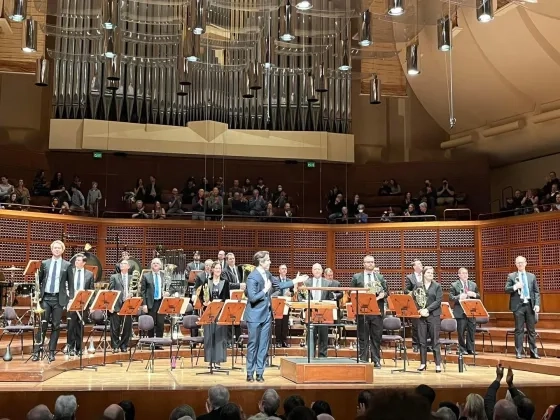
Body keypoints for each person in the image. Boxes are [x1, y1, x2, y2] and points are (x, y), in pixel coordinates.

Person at [245, 251, 306, 382]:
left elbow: (280, 285)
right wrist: (265, 290)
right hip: (255, 316)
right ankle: (250, 372)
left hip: (266, 315)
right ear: (261, 262)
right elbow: (252, 297)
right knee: (253, 344)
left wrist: (296, 280)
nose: (270, 262)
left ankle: (260, 372)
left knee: (263, 345)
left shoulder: (268, 274)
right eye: (268, 260)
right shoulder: (252, 277)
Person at [32, 240, 73, 362]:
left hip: (59, 299)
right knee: (42, 325)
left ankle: (51, 352)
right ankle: (36, 352)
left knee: (56, 325)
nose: (56, 250)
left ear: (62, 250)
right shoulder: (45, 263)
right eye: (55, 248)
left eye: (59, 248)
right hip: (46, 298)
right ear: (51, 249)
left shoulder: (67, 265)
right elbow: (38, 281)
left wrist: (71, 299)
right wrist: (36, 295)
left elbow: (71, 284)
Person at [350, 255, 388, 368]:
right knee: (363, 337)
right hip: (363, 311)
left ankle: (376, 360)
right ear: (364, 264)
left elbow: (386, 292)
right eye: (368, 262)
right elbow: (352, 292)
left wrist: (383, 295)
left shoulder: (379, 277)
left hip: (377, 311)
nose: (370, 264)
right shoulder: (357, 277)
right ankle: (363, 360)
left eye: (372, 262)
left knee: (376, 337)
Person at [300, 263, 341, 359]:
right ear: (312, 271)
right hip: (311, 312)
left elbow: (339, 294)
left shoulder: (328, 283)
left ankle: (323, 357)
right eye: (315, 269)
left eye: (319, 269)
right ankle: (311, 356)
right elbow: (300, 295)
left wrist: (333, 297)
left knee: (323, 336)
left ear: (322, 271)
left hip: (324, 312)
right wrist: (303, 301)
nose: (317, 271)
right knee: (311, 335)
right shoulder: (307, 283)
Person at [505, 256, 541, 359]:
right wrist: (516, 287)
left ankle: (533, 352)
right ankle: (519, 352)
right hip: (518, 306)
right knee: (519, 330)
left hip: (530, 305)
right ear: (516, 264)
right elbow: (506, 289)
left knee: (531, 330)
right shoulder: (511, 276)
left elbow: (536, 292)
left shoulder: (531, 276)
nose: (520, 264)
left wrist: (537, 304)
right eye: (518, 263)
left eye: (521, 262)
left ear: (526, 263)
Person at [198, 261, 230, 368]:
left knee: (220, 336)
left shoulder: (225, 282)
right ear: (212, 270)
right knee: (209, 335)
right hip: (209, 312)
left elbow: (227, 298)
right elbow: (201, 296)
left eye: (219, 268)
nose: (218, 270)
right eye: (216, 268)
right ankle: (210, 360)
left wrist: (221, 301)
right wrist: (204, 302)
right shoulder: (207, 281)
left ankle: (218, 360)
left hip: (220, 312)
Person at [414, 266, 442, 372]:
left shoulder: (437, 286)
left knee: (435, 340)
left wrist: (427, 310)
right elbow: (415, 298)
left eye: (432, 273)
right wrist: (420, 310)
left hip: (433, 315)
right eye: (429, 273)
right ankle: (422, 363)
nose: (431, 274)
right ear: (424, 274)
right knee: (422, 341)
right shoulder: (418, 285)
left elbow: (438, 301)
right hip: (421, 316)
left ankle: (437, 364)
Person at [66, 253, 94, 356]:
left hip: (83, 303)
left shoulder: (89, 274)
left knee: (80, 326)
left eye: (79, 260)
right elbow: (65, 286)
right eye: (76, 260)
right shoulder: (70, 272)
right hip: (71, 302)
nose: (76, 262)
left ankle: (78, 348)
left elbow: (91, 290)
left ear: (84, 263)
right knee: (71, 326)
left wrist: (91, 305)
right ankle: (70, 347)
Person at [449, 267, 480, 355]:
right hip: (460, 311)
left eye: (466, 273)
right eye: (462, 273)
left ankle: (471, 348)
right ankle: (462, 349)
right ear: (459, 275)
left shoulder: (473, 284)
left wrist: (474, 294)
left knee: (471, 330)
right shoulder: (454, 285)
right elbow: (451, 297)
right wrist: (459, 297)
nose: (465, 275)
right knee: (461, 331)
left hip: (471, 311)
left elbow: (478, 295)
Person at [141, 258, 169, 338]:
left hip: (161, 302)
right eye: (154, 263)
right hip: (151, 303)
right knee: (151, 323)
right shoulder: (146, 276)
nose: (155, 264)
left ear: (160, 266)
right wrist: (144, 304)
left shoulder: (164, 276)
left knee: (160, 323)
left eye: (157, 263)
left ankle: (159, 343)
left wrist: (168, 292)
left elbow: (170, 287)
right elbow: (142, 291)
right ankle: (151, 342)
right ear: (151, 265)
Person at [109, 260, 134, 352]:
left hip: (128, 304)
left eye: (125, 264)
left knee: (127, 327)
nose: (122, 265)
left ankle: (124, 345)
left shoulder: (132, 278)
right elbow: (111, 292)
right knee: (115, 327)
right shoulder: (114, 277)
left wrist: (132, 295)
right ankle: (115, 346)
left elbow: (136, 291)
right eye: (121, 264)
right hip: (116, 304)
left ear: (129, 266)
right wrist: (110, 305)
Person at [405, 260, 423, 352]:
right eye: (419, 264)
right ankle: (415, 344)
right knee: (416, 325)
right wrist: (412, 293)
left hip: (425, 304)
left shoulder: (425, 276)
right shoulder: (410, 277)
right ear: (414, 267)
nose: (421, 265)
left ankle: (424, 344)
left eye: (421, 263)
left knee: (425, 324)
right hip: (415, 304)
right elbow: (406, 290)